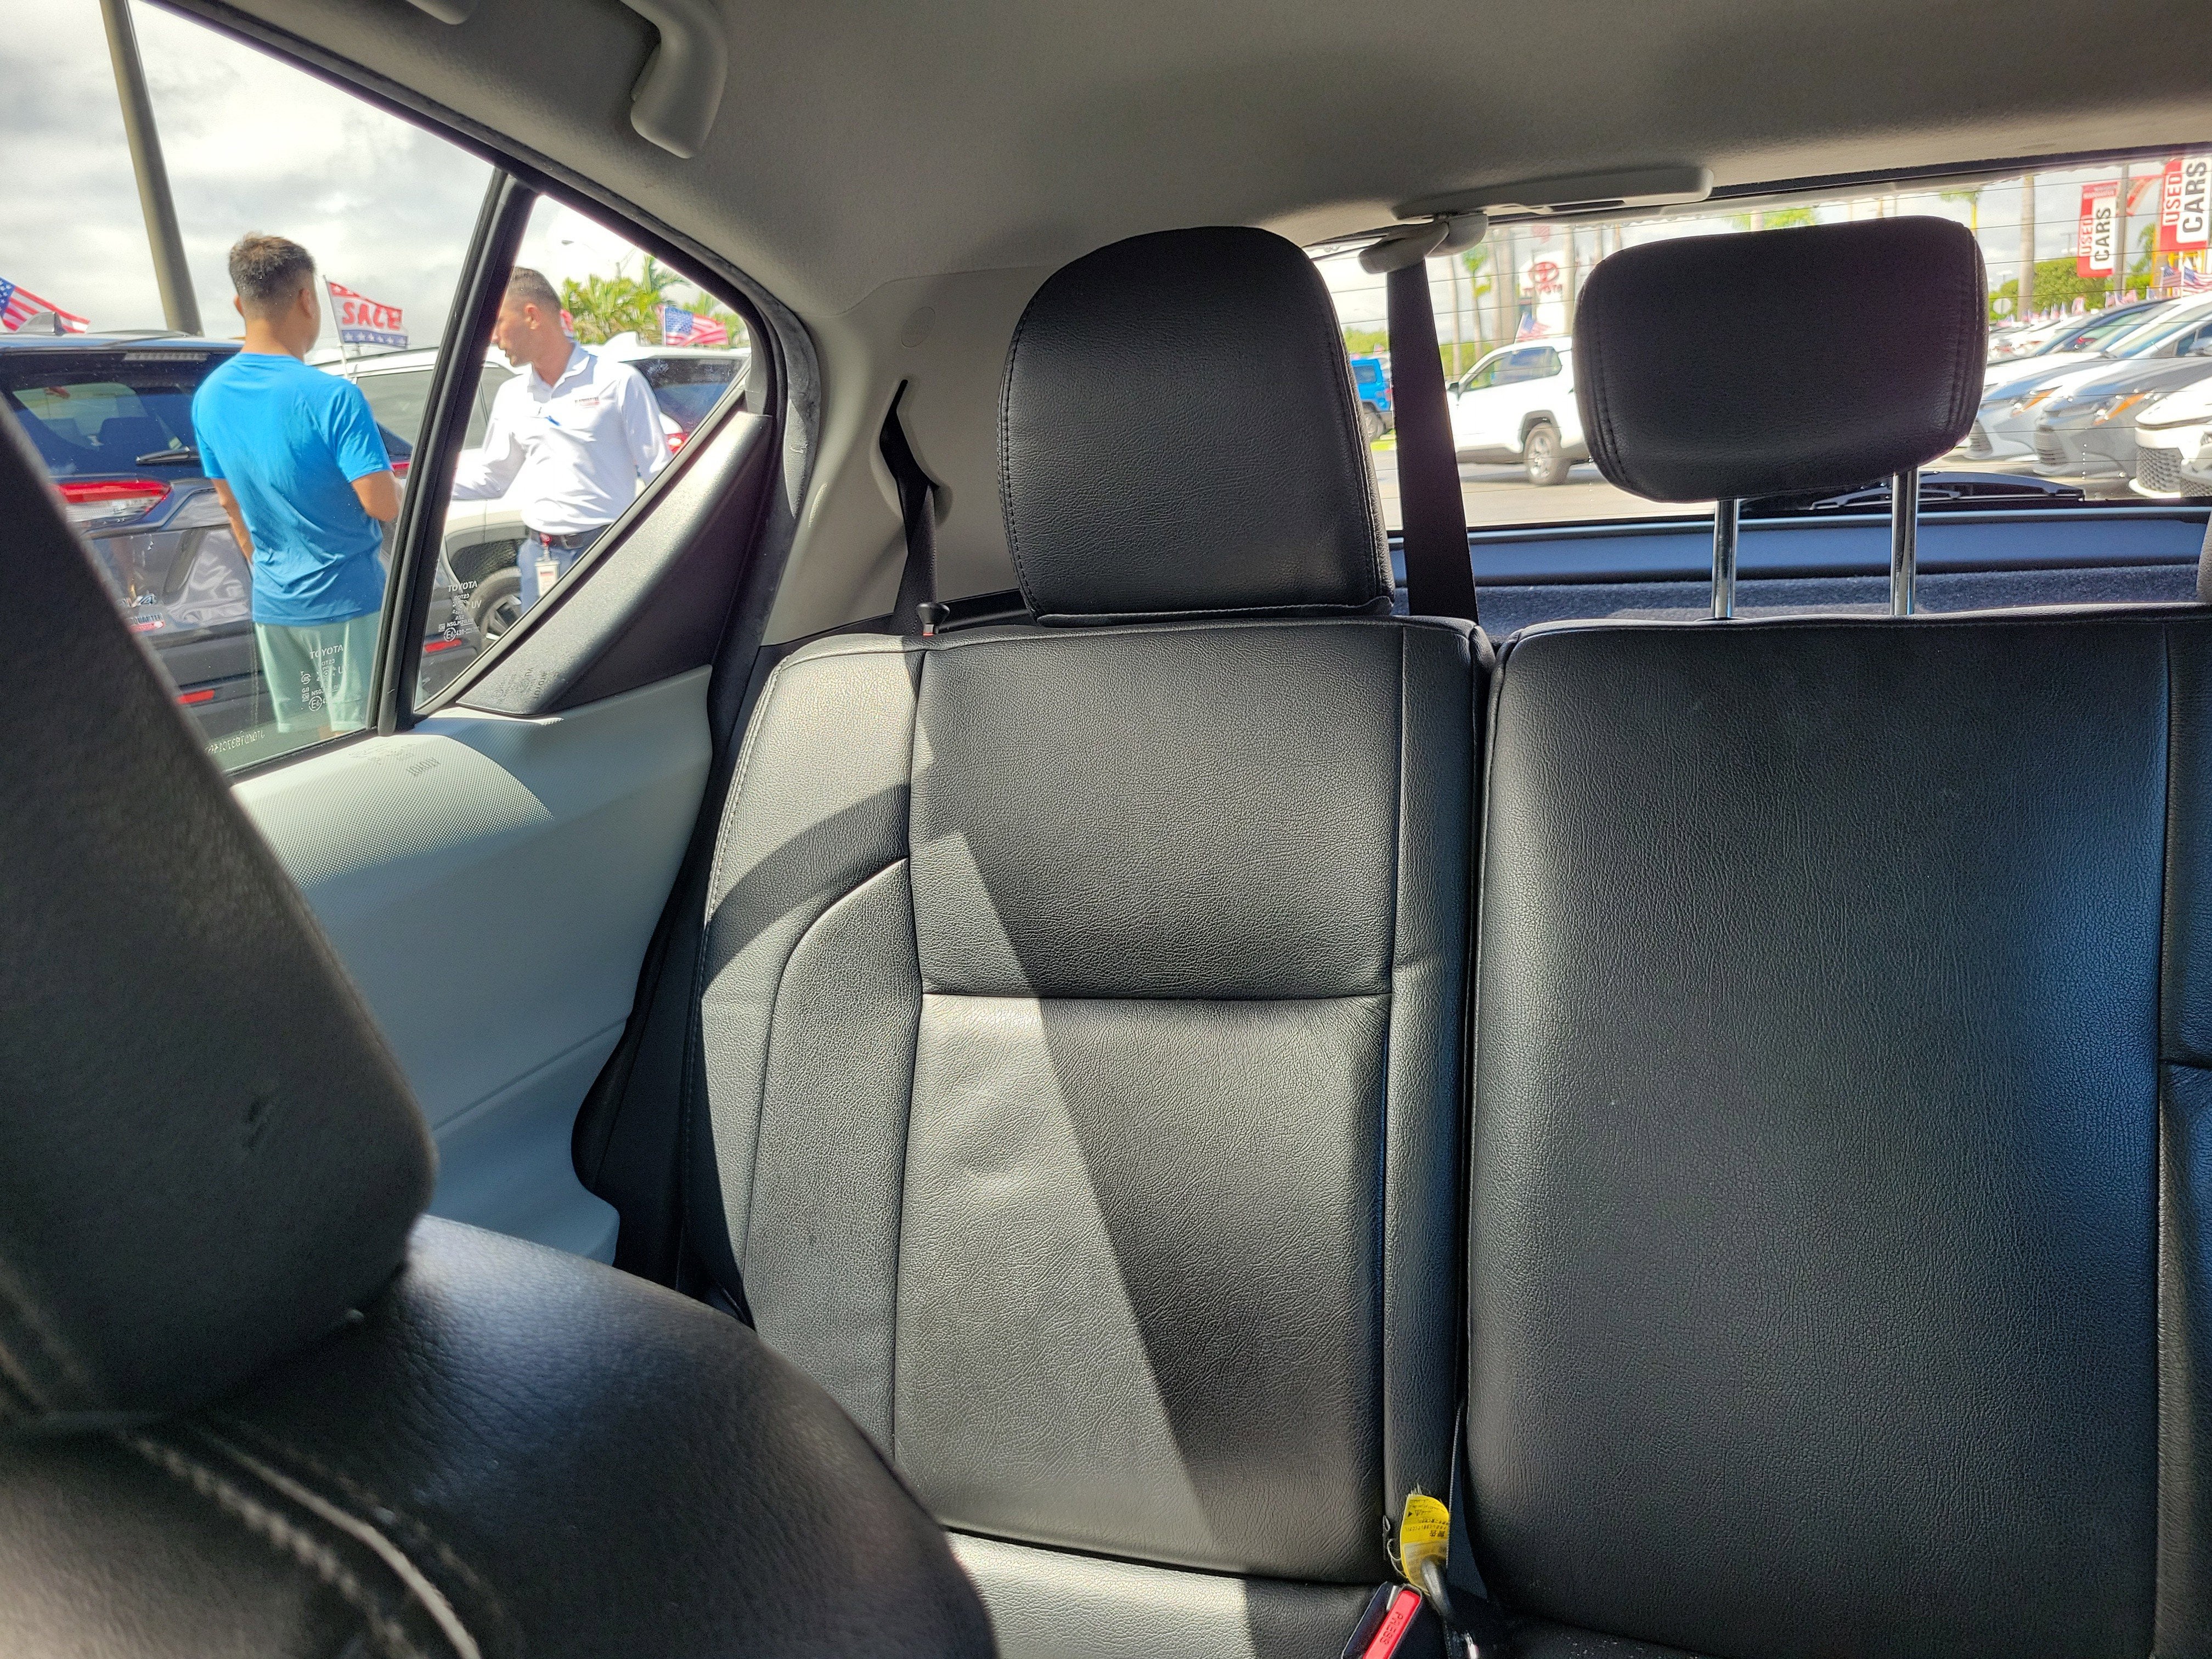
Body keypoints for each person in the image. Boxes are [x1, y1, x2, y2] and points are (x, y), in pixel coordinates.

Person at [192, 234, 398, 740]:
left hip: (275, 608)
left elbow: (230, 505)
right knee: (367, 749)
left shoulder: (209, 398)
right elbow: (382, 504)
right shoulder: (334, 396)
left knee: (311, 748)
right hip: (348, 605)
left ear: (240, 305)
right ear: (307, 299)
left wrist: (272, 570)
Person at [452, 267, 668, 612]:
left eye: (498, 322)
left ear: (532, 316)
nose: (492, 337)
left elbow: (660, 473)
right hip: (539, 557)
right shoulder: (512, 395)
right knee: (541, 648)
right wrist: (414, 489)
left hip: (606, 553)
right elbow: (492, 478)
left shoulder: (618, 382)